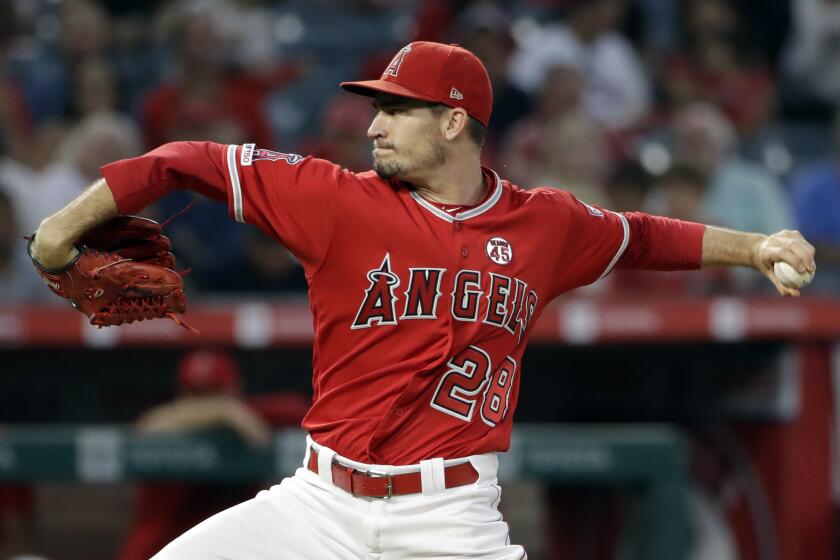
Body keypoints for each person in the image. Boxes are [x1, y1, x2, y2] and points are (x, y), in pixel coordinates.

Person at [29, 41, 815, 559]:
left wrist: (757, 248)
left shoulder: (545, 224)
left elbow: (643, 236)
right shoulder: (333, 198)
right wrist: (62, 230)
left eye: (395, 110)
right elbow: (182, 158)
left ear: (452, 122)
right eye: (375, 107)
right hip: (317, 507)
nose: (374, 126)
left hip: (450, 521)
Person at [118, 348, 308, 560]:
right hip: (167, 549)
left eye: (215, 393)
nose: (207, 403)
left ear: (236, 389)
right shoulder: (167, 425)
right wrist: (220, 411)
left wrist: (233, 412)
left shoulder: (249, 413)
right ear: (181, 394)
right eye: (198, 395)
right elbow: (147, 428)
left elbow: (300, 410)